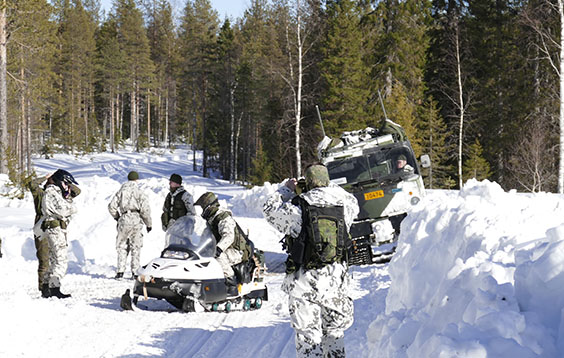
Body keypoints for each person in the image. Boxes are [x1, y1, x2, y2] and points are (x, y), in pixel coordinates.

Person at [262, 164, 359, 358]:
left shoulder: (298, 206)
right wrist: (328, 186)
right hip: (335, 284)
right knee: (334, 334)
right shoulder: (345, 206)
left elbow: (269, 209)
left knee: (308, 338)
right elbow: (354, 202)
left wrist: (287, 189)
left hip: (304, 286)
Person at [28, 173, 80, 292]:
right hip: (42, 226)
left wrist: (63, 181)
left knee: (54, 258)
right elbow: (32, 184)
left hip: (56, 226)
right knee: (44, 258)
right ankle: (44, 288)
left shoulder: (60, 194)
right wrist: (46, 178)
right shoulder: (42, 193)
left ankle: (50, 286)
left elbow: (77, 191)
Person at [194, 192, 252, 294]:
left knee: (219, 259)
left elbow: (228, 236)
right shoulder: (210, 220)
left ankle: (231, 285)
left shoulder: (223, 217)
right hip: (221, 249)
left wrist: (219, 249)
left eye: (203, 208)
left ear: (209, 206)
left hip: (237, 250)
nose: (203, 211)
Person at [108, 171, 152, 279]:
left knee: (122, 245)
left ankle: (120, 271)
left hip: (124, 219)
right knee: (135, 246)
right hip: (136, 220)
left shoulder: (121, 191)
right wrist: (148, 224)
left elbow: (111, 206)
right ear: (137, 180)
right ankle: (135, 272)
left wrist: (117, 217)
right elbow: (145, 210)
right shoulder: (140, 192)